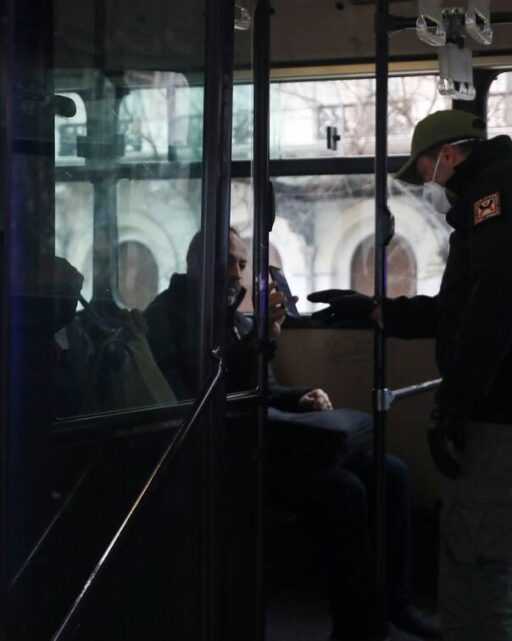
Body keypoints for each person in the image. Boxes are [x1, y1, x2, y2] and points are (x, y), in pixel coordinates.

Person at [311, 110, 512, 641]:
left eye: (425, 169)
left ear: (448, 154)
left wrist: (454, 404)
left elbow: (496, 308)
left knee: (476, 586)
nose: (428, 183)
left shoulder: (497, 195)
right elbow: (461, 308)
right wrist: (378, 311)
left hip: (507, 418)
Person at [143, 228, 438, 641]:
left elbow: (264, 388)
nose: (236, 274)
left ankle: (396, 604)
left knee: (391, 473)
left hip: (265, 439)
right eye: (227, 261)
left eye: (242, 264)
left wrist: (301, 396)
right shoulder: (166, 316)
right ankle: (357, 626)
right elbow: (196, 395)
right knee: (343, 490)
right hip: (221, 452)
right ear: (197, 263)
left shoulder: (237, 319)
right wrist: (259, 343)